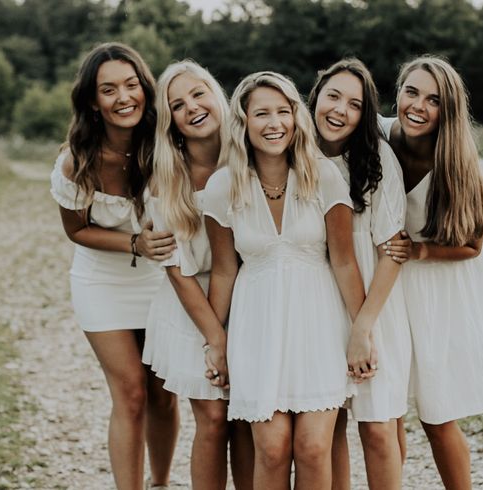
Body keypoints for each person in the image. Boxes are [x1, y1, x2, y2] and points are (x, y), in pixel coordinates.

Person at [203, 71, 365, 489]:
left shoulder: (324, 176)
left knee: (313, 449)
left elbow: (345, 262)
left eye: (283, 111)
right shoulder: (222, 187)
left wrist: (362, 331)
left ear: (296, 117)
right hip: (257, 326)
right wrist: (214, 342)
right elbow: (223, 270)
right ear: (243, 121)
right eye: (262, 114)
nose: (274, 123)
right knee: (272, 450)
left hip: (318, 323)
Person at [49, 42, 179, 490]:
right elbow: (77, 230)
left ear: (145, 88)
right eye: (109, 89)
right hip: (101, 282)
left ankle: (161, 482)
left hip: (163, 281)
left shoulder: (165, 145)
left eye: (131, 85)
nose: (123, 97)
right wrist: (134, 243)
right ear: (92, 100)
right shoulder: (76, 160)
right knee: (130, 393)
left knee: (164, 396)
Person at [380, 55, 483, 490]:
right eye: (411, 92)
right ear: (398, 92)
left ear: (447, 109)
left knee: (436, 413)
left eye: (433, 100)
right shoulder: (376, 134)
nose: (418, 105)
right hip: (390, 280)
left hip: (440, 284)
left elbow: (473, 244)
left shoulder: (457, 161)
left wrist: (422, 250)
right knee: (386, 407)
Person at [141, 60, 253, 490]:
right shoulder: (167, 180)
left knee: (245, 416)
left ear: (217, 96)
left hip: (249, 296)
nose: (192, 107)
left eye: (199, 94)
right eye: (178, 105)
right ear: (171, 123)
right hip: (191, 307)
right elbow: (178, 273)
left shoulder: (249, 154)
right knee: (211, 416)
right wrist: (215, 339)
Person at [309, 58, 412, 490]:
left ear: (364, 114)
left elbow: (392, 250)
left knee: (377, 425)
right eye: (333, 96)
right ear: (314, 97)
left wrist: (363, 326)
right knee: (328, 427)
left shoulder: (376, 158)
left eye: (354, 104)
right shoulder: (294, 152)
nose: (340, 110)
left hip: (373, 303)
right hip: (315, 300)